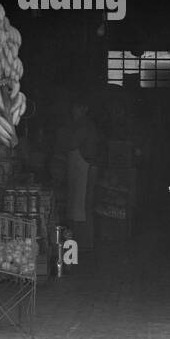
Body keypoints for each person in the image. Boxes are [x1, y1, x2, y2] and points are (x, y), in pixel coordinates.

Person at [63, 101, 100, 252]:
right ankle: (80, 242)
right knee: (79, 206)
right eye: (73, 108)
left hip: (85, 169)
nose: (74, 111)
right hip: (81, 169)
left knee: (83, 207)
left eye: (77, 107)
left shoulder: (84, 126)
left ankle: (83, 243)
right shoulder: (79, 125)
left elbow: (72, 143)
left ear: (84, 108)